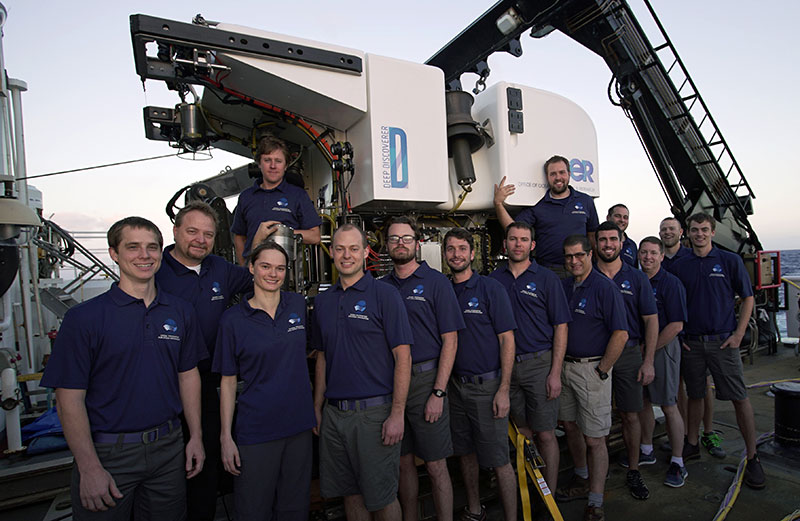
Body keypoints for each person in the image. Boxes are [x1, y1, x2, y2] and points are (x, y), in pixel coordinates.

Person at [41, 217, 206, 520]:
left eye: (152, 248)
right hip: (109, 454)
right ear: (114, 253)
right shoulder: (84, 319)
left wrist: (195, 437)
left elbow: (188, 376)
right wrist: (89, 467)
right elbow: (69, 400)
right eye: (133, 247)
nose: (144, 255)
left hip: (168, 450)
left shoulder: (181, 312)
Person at [155, 201, 258, 521]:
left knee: (207, 465)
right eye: (192, 232)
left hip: (209, 383)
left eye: (208, 234)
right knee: (169, 469)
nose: (200, 239)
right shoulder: (154, 270)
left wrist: (266, 242)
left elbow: (263, 277)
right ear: (175, 232)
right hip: (165, 386)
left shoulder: (220, 269)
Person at [312, 224, 413, 520]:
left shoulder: (385, 295)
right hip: (334, 416)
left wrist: (397, 413)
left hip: (374, 415)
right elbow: (322, 358)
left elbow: (403, 357)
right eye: (340, 249)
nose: (347, 255)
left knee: (381, 498)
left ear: (365, 252)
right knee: (350, 494)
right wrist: (318, 408)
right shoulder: (324, 301)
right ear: (331, 253)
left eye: (354, 249)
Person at [214, 241, 316, 520]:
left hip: (298, 428)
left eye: (280, 268)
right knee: (252, 510)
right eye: (265, 266)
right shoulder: (232, 320)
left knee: (294, 509)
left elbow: (314, 352)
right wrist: (226, 437)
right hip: (256, 432)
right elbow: (228, 380)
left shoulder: (297, 305)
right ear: (251, 268)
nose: (273, 274)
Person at [670, 213, 765, 489]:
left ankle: (752, 456)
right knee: (695, 395)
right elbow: (672, 300)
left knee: (739, 397)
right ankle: (691, 443)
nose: (699, 234)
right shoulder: (680, 265)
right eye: (694, 230)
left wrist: (738, 334)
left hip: (724, 343)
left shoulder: (729, 261)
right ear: (687, 233)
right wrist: (679, 334)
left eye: (704, 230)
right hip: (692, 343)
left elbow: (748, 298)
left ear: (712, 232)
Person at [380, 217, 464, 521]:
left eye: (406, 238)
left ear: (418, 243)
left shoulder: (437, 283)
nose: (400, 243)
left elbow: (450, 340)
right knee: (402, 463)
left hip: (426, 382)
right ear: (386, 245)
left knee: (435, 464)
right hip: (390, 385)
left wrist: (438, 392)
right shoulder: (381, 288)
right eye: (393, 239)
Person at [488, 222, 571, 490]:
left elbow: (561, 326)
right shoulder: (493, 280)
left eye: (524, 239)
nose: (518, 244)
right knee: (521, 433)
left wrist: (555, 373)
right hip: (505, 369)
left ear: (532, 245)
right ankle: (530, 488)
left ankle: (550, 494)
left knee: (546, 434)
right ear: (505, 244)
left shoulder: (547, 279)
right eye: (513, 239)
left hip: (539, 365)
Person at [444, 228, 517, 521]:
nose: (456, 254)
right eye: (451, 249)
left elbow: (507, 340)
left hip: (487, 387)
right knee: (465, 453)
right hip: (454, 388)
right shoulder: (444, 289)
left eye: (462, 249)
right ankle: (475, 509)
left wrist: (503, 389)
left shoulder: (490, 289)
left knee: (499, 459)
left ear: (473, 254)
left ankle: (512, 516)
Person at [556, 234, 628, 521]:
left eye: (578, 255)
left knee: (596, 438)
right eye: (568, 256)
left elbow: (621, 333)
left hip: (592, 370)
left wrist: (602, 370)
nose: (573, 261)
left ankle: (595, 501)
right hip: (565, 368)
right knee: (571, 428)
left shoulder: (604, 288)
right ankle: (581, 477)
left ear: (590, 254)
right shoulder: (565, 287)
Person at [594, 221, 658, 500]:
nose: (608, 244)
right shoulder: (587, 275)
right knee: (596, 418)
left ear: (622, 243)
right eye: (603, 240)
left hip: (630, 354)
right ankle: (599, 469)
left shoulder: (637, 278)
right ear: (595, 243)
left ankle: (633, 469)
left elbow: (651, 321)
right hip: (595, 357)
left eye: (613, 239)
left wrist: (648, 361)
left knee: (630, 415)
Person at [659, 216, 721, 457]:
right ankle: (685, 434)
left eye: (671, 229)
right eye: (663, 229)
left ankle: (709, 431)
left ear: (681, 232)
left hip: (695, 332)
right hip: (676, 335)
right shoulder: (661, 260)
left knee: (703, 386)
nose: (667, 232)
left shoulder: (691, 257)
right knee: (681, 387)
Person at [494, 155, 599, 278]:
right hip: (550, 272)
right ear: (547, 177)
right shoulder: (537, 205)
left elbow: (593, 236)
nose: (558, 177)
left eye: (562, 172)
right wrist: (498, 203)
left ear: (569, 174)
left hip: (581, 268)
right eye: (553, 174)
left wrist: (597, 264)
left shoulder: (585, 200)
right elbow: (512, 228)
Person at [637, 236, 689, 487]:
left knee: (668, 405)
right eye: (643, 252)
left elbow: (676, 325)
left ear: (661, 256)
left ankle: (678, 461)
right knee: (644, 402)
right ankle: (646, 449)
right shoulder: (636, 281)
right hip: (638, 350)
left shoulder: (671, 283)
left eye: (653, 253)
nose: (647, 257)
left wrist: (649, 350)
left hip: (663, 350)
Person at [231, 135, 322, 265]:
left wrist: (281, 232)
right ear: (259, 164)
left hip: (287, 273)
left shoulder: (298, 195)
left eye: (278, 161)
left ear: (285, 166)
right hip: (253, 273)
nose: (273, 166)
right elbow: (239, 237)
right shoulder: (246, 197)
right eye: (267, 160)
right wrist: (243, 268)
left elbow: (315, 236)